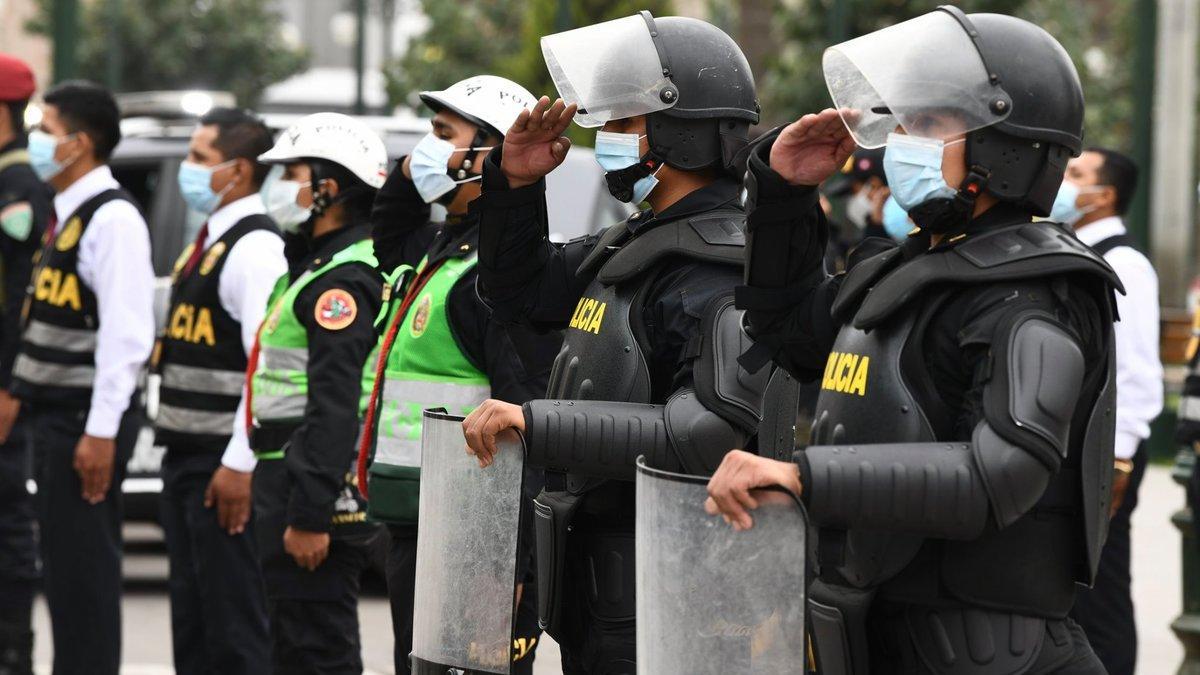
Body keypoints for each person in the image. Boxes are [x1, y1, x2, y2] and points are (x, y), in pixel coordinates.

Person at [704, 8, 1119, 673]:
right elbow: (784, 333)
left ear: (1003, 146)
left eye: (928, 125)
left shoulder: (1035, 291)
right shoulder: (900, 269)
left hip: (990, 648)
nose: (900, 141)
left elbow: (998, 476)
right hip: (880, 627)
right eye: (901, 123)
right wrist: (783, 193)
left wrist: (803, 476)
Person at [460, 13, 781, 673]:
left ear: (681, 131)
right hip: (607, 580)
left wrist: (536, 421)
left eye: (622, 124)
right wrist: (516, 185)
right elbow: (516, 294)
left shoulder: (724, 264)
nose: (604, 139)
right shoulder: (637, 239)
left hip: (684, 592)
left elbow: (708, 434)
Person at [356, 74, 557, 675]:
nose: (425, 149)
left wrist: (516, 566)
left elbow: (529, 422)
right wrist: (419, 168)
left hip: (475, 543)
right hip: (420, 525)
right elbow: (388, 226)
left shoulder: (494, 280)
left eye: (442, 135)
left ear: (492, 153)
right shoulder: (441, 250)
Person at [11, 80, 155, 675]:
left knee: (84, 581)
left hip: (83, 426)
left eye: (45, 130)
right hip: (56, 418)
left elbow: (126, 340)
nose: (35, 141)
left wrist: (99, 432)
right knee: (65, 581)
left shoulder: (112, 218)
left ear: (80, 143)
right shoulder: (64, 213)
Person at [248, 112, 387, 675]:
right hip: (288, 471)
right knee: (292, 643)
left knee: (315, 649)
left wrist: (310, 515)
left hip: (307, 482)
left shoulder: (342, 282)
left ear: (328, 187)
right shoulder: (317, 266)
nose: (278, 188)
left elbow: (334, 404)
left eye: (290, 173)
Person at [154, 107, 283, 675]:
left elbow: (265, 365)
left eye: (200, 159)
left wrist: (239, 462)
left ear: (241, 171)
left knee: (233, 626)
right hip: (188, 456)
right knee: (195, 618)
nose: (189, 169)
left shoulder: (254, 249)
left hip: (219, 464)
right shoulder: (212, 240)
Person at [1050, 148, 1162, 675]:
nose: (1062, 182)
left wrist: (1116, 463)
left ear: (1106, 194)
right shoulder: (1075, 249)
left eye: (1076, 175)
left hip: (1106, 456)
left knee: (1102, 595)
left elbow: (1137, 372)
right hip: (1083, 451)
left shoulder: (1124, 263)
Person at [0, 53, 47, 675]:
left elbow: (21, 302)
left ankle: (13, 656)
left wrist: (11, 385)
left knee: (10, 524)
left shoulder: (20, 188)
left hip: (4, 385)